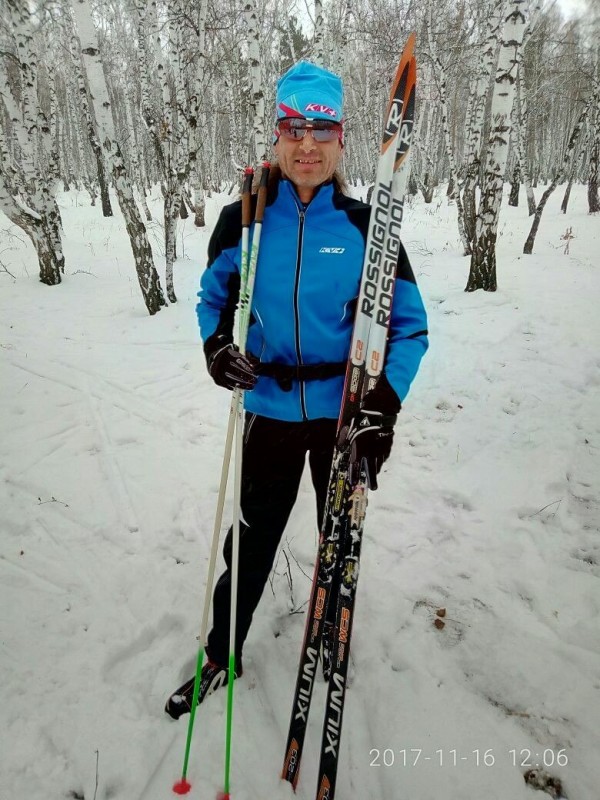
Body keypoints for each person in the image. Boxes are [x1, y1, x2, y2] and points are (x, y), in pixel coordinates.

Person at [165, 61, 428, 719]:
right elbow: (212, 300)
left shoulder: (369, 228)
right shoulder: (244, 220)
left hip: (345, 415)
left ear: (341, 139)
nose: (307, 143)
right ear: (278, 136)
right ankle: (222, 653)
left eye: (322, 129)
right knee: (251, 542)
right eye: (293, 128)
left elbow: (410, 327)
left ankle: (330, 636)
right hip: (270, 410)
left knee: (337, 536)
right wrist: (216, 345)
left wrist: (383, 405)